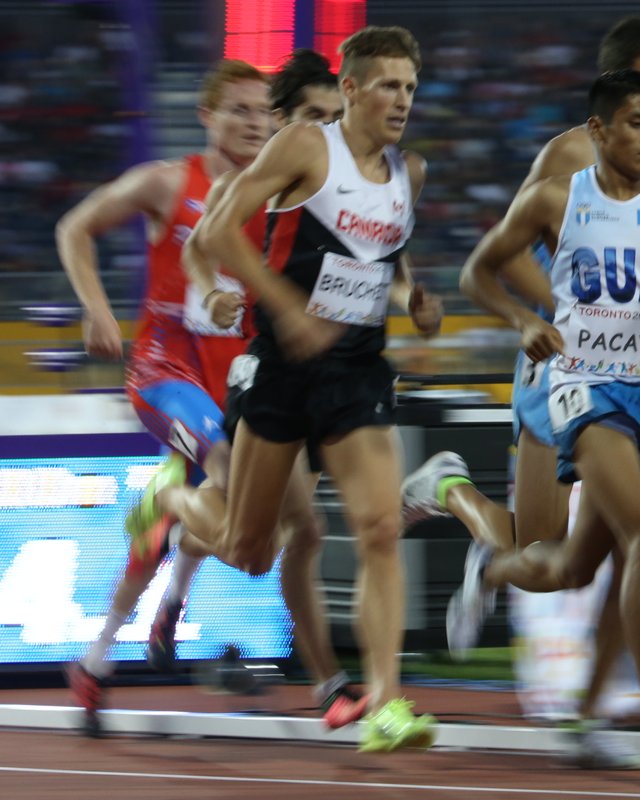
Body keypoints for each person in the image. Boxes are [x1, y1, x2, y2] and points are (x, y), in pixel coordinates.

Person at [139, 26, 445, 753]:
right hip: (281, 368)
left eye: (410, 86)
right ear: (352, 89)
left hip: (357, 370)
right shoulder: (308, 146)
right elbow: (214, 229)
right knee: (249, 548)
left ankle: (387, 706)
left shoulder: (411, 170)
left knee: (376, 528)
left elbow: (385, 253)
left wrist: (411, 297)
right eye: (388, 86)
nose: (402, 100)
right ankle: (173, 505)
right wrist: (280, 305)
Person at [403, 16, 640, 768]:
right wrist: (559, 311)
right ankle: (459, 500)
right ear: (626, 77)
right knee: (544, 555)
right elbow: (513, 248)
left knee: (628, 548)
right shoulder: (572, 151)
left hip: (632, 383)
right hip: (560, 368)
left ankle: (593, 715)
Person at [449, 69, 640, 767]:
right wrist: (522, 319)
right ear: (598, 131)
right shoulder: (553, 199)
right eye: (636, 124)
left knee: (573, 568)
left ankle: (491, 569)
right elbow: (478, 273)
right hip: (583, 389)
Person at [55, 59, 272, 736]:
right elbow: (75, 228)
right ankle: (171, 553)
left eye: (264, 112)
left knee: (192, 518)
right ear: (207, 117)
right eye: (238, 110)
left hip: (234, 379)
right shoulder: (169, 182)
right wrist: (96, 310)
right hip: (164, 371)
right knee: (227, 470)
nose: (253, 124)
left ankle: (96, 661)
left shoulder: (280, 194)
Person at [153, 48, 367, 731]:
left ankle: (331, 684)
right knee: (258, 551)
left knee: (307, 530)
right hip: (264, 374)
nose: (325, 134)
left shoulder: (343, 182)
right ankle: (174, 500)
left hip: (312, 375)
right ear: (283, 122)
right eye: (313, 118)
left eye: (336, 120)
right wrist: (213, 291)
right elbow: (197, 245)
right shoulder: (259, 181)